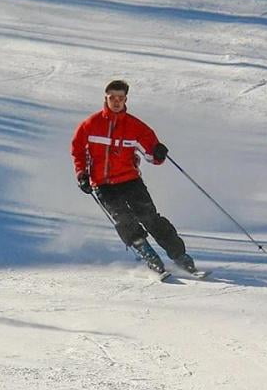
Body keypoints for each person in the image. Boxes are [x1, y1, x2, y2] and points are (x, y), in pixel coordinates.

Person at [70, 79, 198, 274]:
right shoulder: (90, 125)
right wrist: (81, 175)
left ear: (126, 99)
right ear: (106, 98)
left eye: (120, 98)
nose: (116, 102)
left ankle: (179, 255)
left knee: (150, 217)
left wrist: (158, 152)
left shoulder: (135, 127)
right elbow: (78, 151)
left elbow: (151, 155)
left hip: (130, 180)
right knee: (123, 220)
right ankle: (148, 254)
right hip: (103, 184)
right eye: (112, 97)